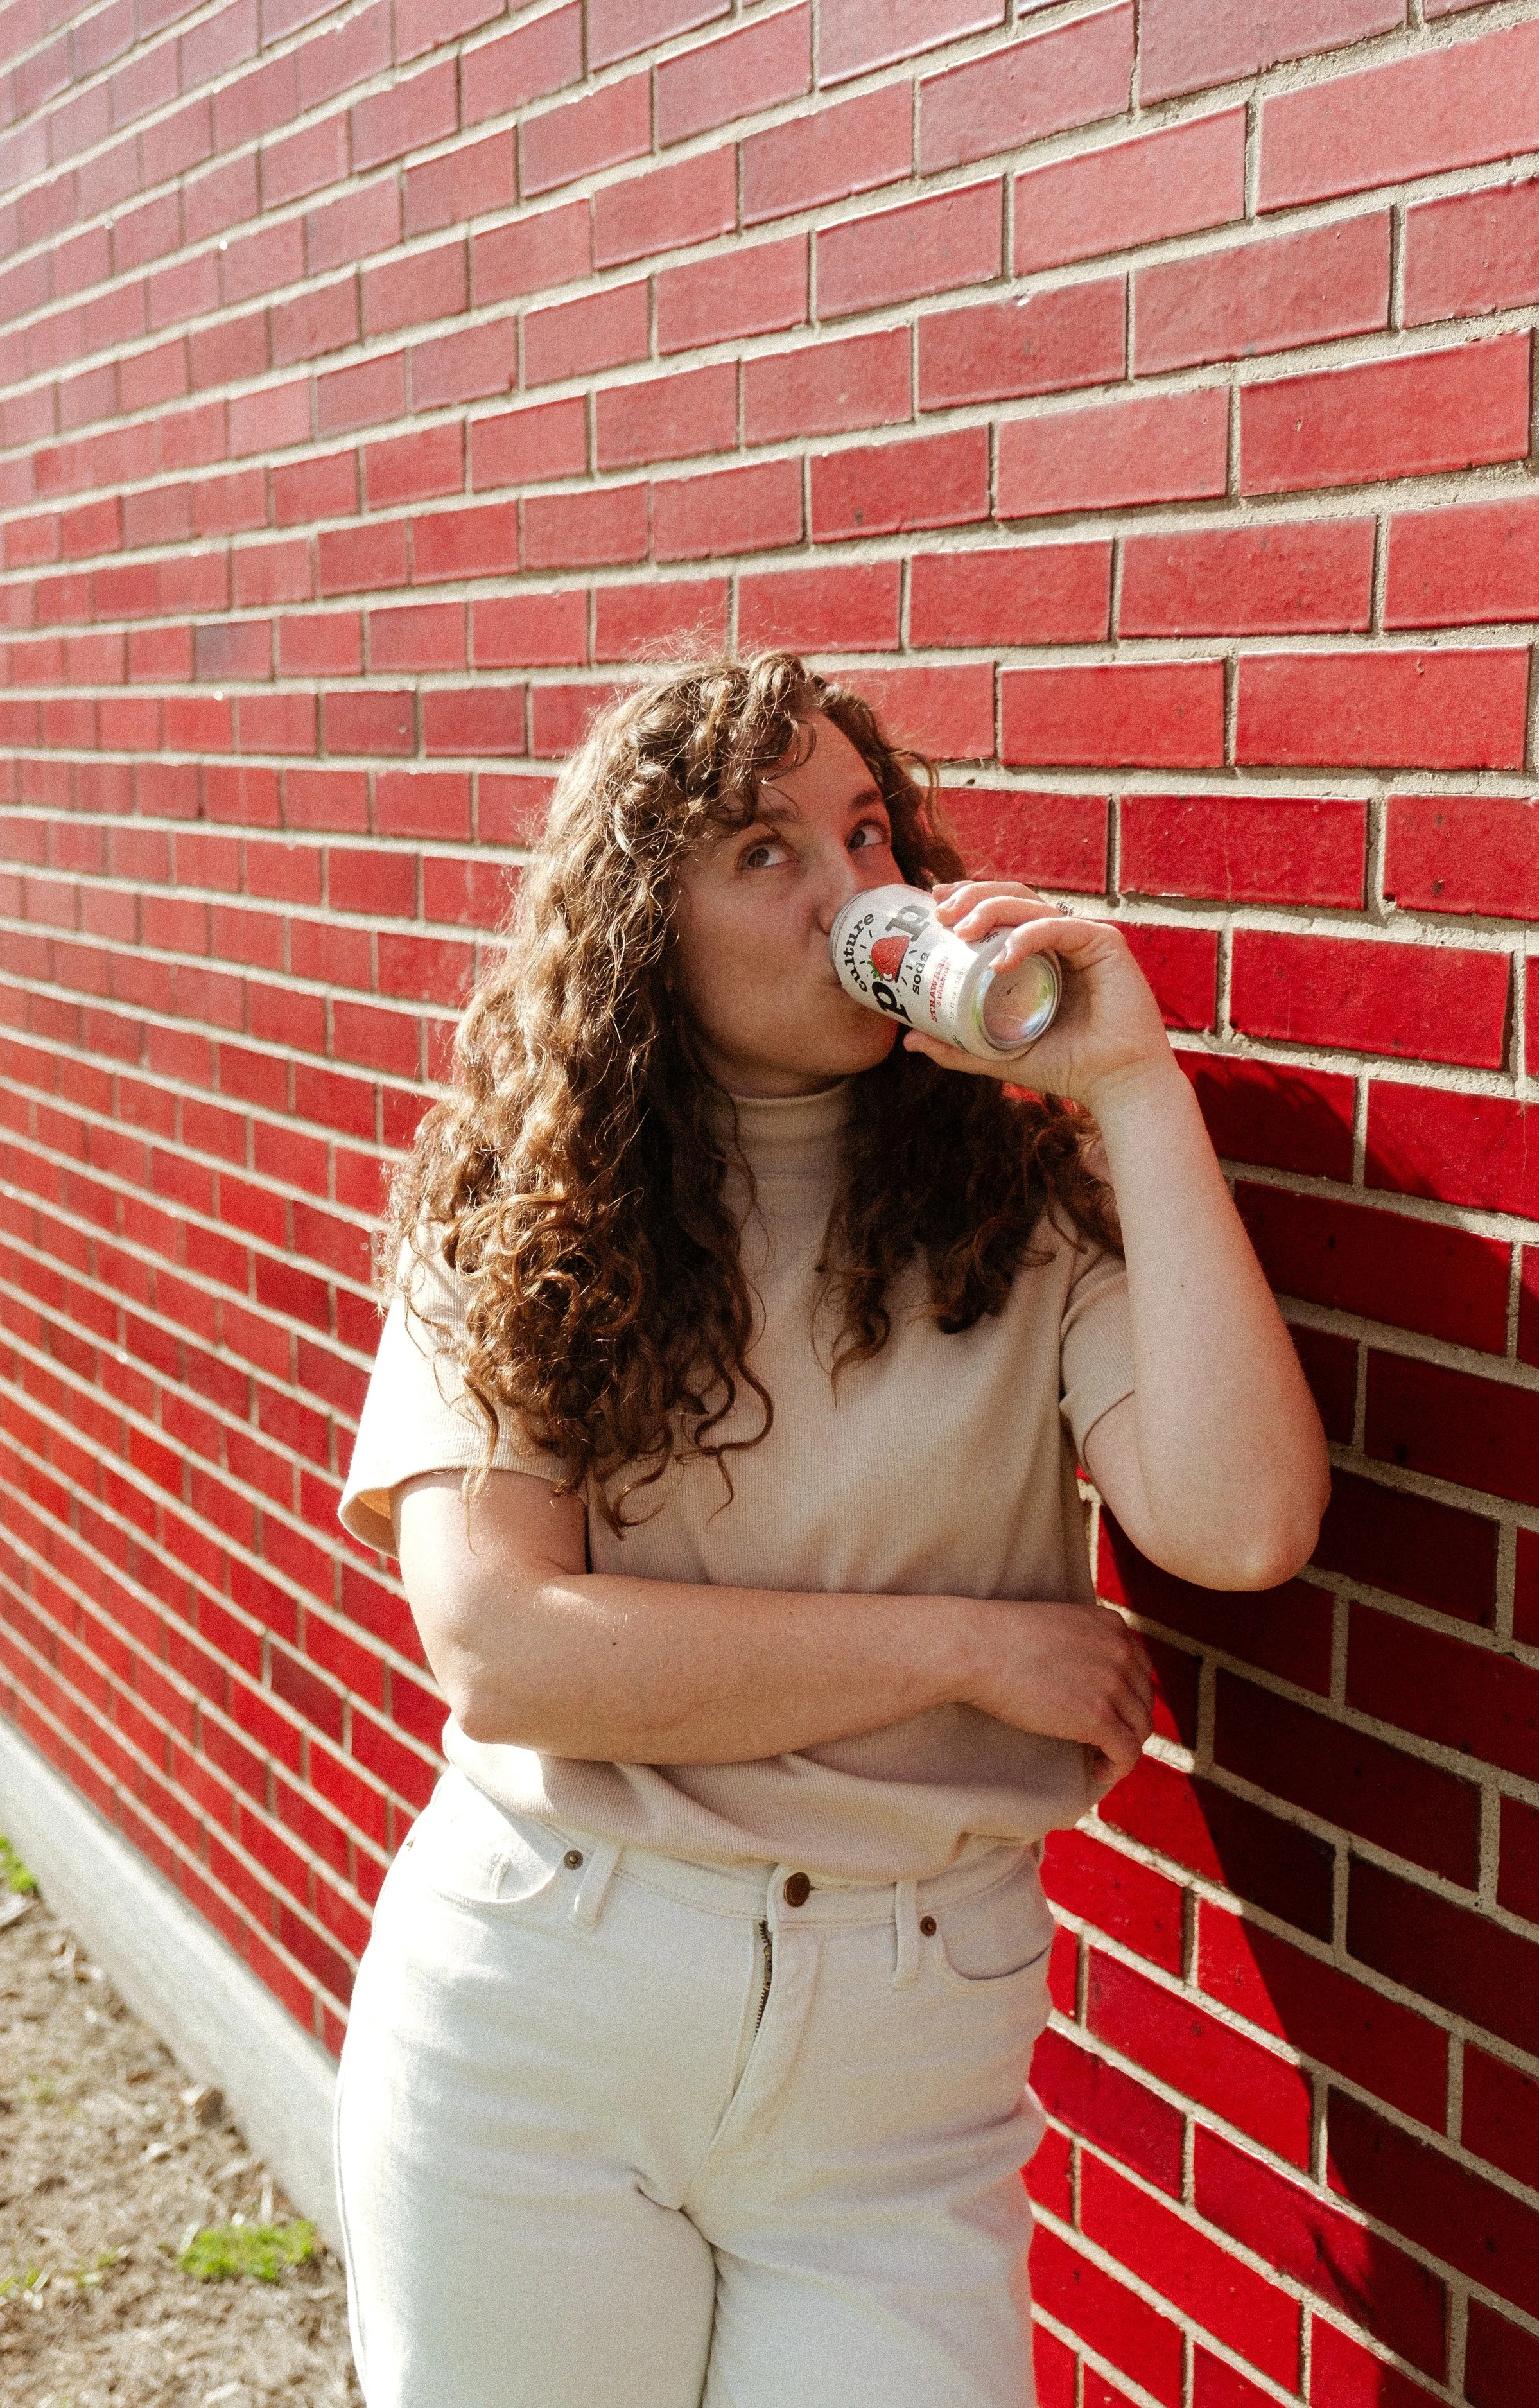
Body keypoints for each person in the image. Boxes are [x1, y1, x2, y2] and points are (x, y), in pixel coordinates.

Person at [331, 652, 1329, 2408]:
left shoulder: (1024, 1213)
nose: (852, 888)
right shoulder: (514, 1208)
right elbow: (503, 1646)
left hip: (903, 2058)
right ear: (648, 921)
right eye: (765, 851)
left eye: (866, 832)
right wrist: (965, 1647)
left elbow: (1239, 1524)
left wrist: (1135, 1081)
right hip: (549, 2000)